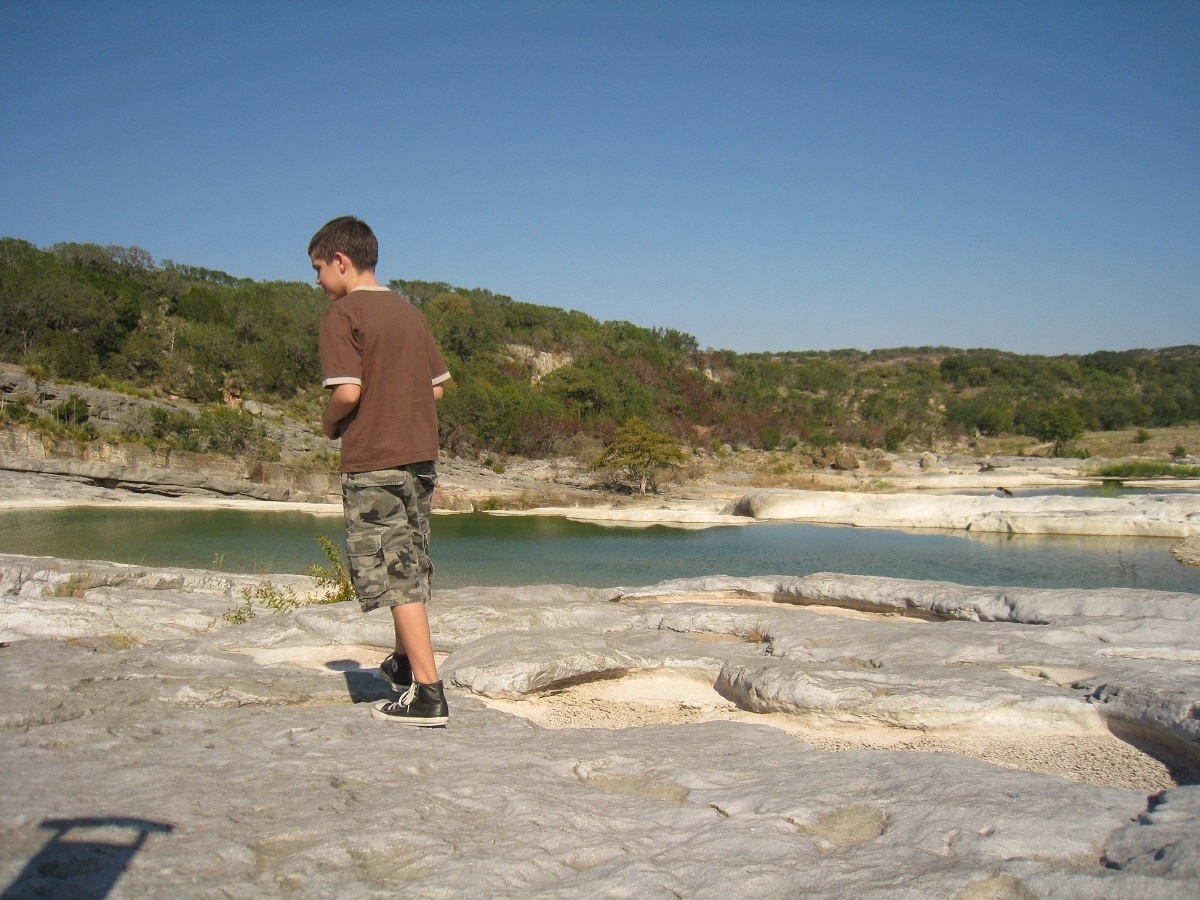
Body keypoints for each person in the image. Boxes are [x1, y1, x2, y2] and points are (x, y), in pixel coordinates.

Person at [310, 215, 452, 726]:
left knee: (395, 574)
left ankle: (429, 692)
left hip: (375, 459)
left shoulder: (342, 314)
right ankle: (402, 663)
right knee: (408, 559)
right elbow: (436, 387)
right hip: (419, 457)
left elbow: (347, 392)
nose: (319, 281)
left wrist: (328, 422)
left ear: (341, 261)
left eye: (319, 268)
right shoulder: (410, 314)